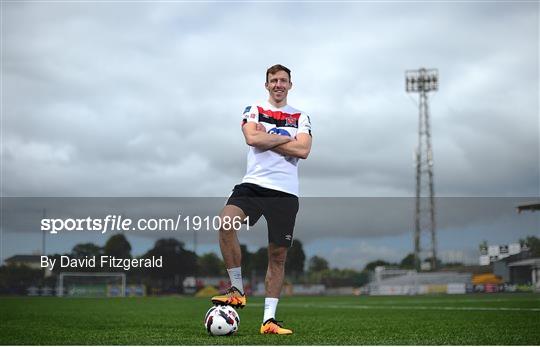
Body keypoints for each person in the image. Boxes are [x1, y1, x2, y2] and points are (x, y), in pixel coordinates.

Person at [211, 64, 312, 335]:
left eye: (283, 80)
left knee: (277, 256)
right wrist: (282, 139)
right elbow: (250, 137)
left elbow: (303, 150)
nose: (278, 84)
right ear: (266, 84)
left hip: (286, 192)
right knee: (225, 222)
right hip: (253, 185)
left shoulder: (301, 116)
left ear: (290, 85)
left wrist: (266, 139)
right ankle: (236, 290)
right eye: (273, 80)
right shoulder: (254, 108)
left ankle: (269, 320)